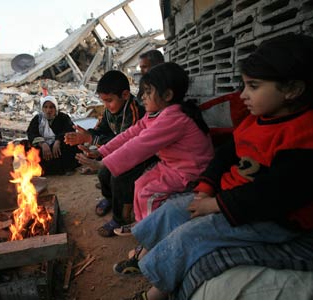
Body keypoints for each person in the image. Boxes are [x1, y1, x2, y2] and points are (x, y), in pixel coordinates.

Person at [116, 33, 313, 300]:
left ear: (292, 89)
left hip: (271, 219)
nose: (242, 95)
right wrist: (207, 187)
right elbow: (225, 155)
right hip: (227, 199)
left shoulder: (302, 135)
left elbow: (274, 194)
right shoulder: (258, 119)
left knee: (193, 235)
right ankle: (147, 256)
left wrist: (216, 205)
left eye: (253, 87)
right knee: (174, 210)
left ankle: (154, 294)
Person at [76, 62, 214, 237]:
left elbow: (140, 144)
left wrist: (105, 164)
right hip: (172, 166)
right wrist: (102, 152)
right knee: (139, 184)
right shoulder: (154, 114)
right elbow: (130, 134)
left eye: (148, 92)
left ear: (168, 95)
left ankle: (149, 235)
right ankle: (142, 224)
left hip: (189, 171)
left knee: (148, 195)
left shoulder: (174, 117)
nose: (143, 98)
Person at [64, 70, 146, 234]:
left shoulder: (135, 111)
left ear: (125, 94)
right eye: (103, 101)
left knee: (118, 177)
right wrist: (85, 137)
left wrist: (91, 140)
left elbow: (128, 142)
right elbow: (100, 131)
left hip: (140, 155)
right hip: (121, 150)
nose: (106, 105)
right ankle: (109, 198)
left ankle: (120, 219)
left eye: (109, 100)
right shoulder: (109, 111)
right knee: (103, 174)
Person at [27, 95, 79, 175]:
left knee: (72, 143)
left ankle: (67, 168)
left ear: (56, 108)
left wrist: (58, 140)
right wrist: (42, 143)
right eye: (46, 107)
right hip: (44, 148)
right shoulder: (38, 119)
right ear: (42, 108)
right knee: (25, 146)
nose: (48, 110)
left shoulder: (63, 117)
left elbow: (70, 130)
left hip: (59, 148)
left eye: (51, 107)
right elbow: (31, 133)